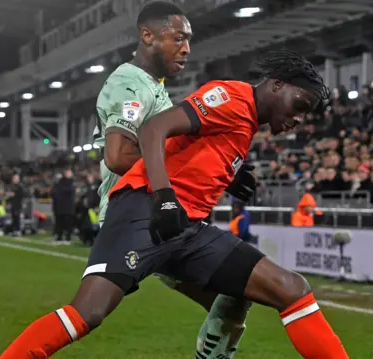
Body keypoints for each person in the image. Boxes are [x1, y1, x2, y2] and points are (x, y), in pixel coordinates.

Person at [0, 49, 347, 359]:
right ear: (275, 84)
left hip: (187, 229)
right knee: (89, 311)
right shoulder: (230, 97)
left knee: (290, 288)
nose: (300, 118)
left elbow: (194, 154)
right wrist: (164, 198)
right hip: (144, 211)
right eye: (299, 105)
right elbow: (153, 128)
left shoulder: (246, 124)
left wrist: (230, 173)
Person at [90, 2, 250, 357]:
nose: (187, 48)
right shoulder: (131, 84)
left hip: (153, 213)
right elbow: (117, 157)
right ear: (147, 36)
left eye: (189, 40)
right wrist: (168, 189)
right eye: (178, 38)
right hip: (139, 215)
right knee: (88, 313)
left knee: (233, 297)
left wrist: (220, 177)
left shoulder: (153, 87)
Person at [50, 169, 76, 244]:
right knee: (59, 222)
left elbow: (69, 191)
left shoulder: (71, 182)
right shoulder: (60, 182)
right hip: (60, 206)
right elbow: (54, 192)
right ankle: (59, 237)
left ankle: (68, 237)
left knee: (68, 222)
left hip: (68, 206)